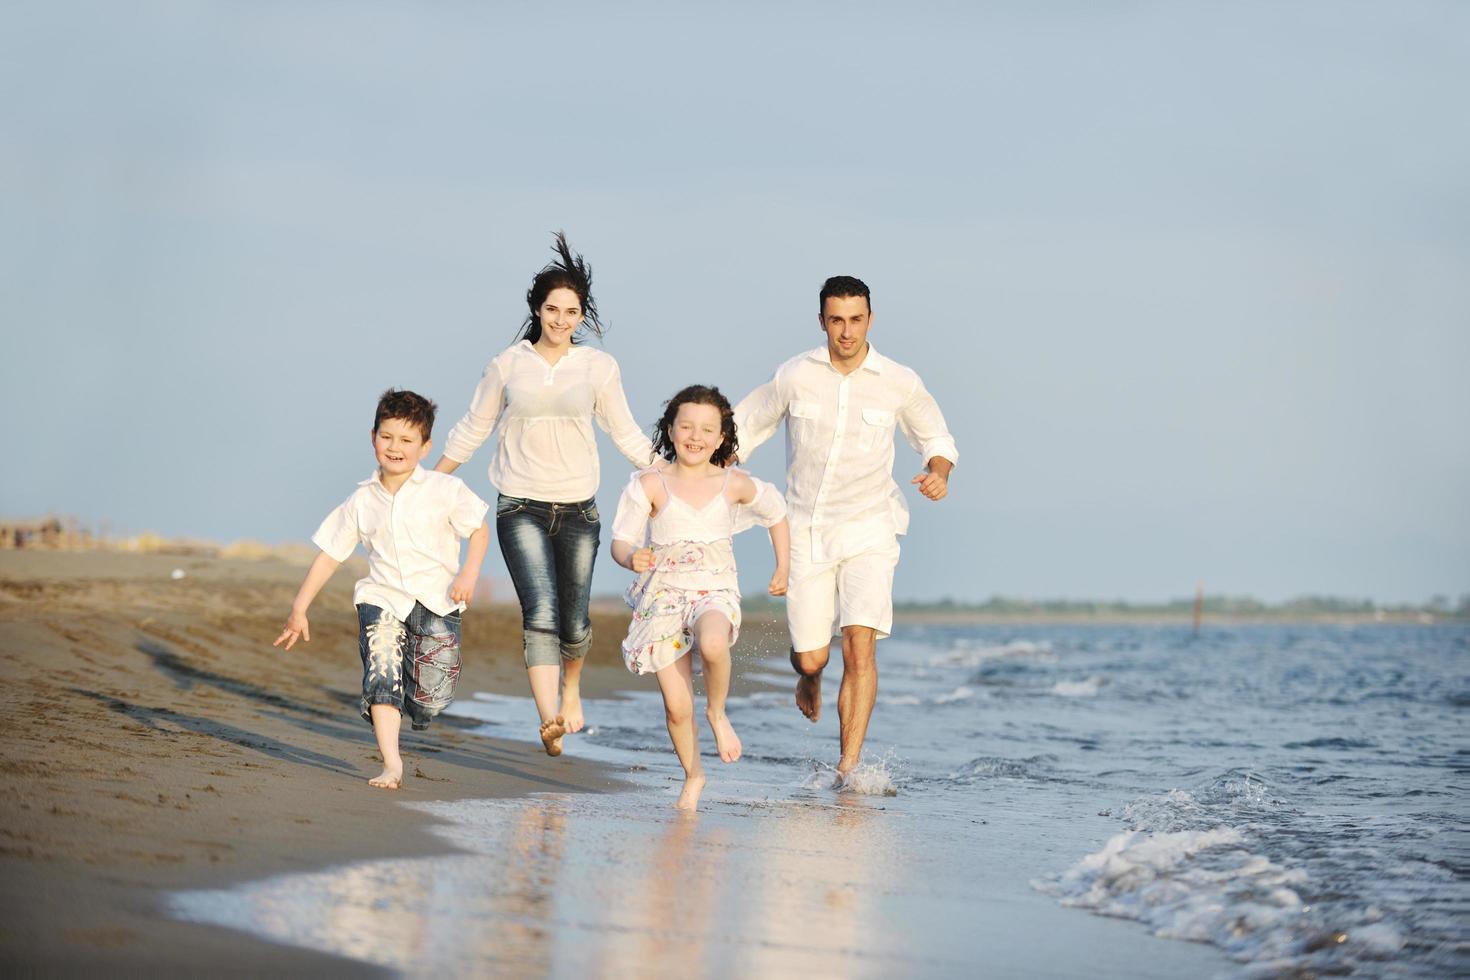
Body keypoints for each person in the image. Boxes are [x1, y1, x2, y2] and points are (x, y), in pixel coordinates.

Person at [433, 233, 654, 756]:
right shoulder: (508, 364)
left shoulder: (599, 368)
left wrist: (681, 470)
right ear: (537, 308)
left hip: (580, 507)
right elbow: (474, 427)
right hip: (519, 504)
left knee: (574, 623)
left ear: (582, 315)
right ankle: (549, 717)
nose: (560, 319)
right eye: (552, 309)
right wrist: (433, 479)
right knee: (540, 611)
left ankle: (571, 690)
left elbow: (626, 435)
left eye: (571, 311)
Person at [734, 276, 958, 780]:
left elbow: (937, 436)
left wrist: (939, 472)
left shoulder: (898, 380)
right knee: (812, 657)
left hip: (871, 528)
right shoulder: (795, 374)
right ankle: (809, 678)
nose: (847, 331)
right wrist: (707, 470)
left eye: (856, 319)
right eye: (836, 320)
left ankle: (848, 767)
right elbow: (745, 428)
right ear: (822, 322)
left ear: (870, 320)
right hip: (807, 529)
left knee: (860, 642)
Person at [274, 389, 491, 790]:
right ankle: (392, 764)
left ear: (425, 447)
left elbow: (478, 529)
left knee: (431, 699)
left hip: (438, 599)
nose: (395, 447)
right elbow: (329, 555)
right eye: (387, 437)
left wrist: (469, 575)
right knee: (381, 675)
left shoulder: (443, 490)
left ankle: (416, 703)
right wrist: (299, 607)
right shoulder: (361, 500)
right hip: (381, 598)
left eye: (407, 440)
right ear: (373, 436)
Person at [610, 385, 789, 810]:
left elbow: (777, 512)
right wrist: (631, 557)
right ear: (670, 430)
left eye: (707, 429)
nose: (696, 436)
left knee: (712, 642)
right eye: (686, 426)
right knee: (675, 707)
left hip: (714, 590)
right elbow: (620, 541)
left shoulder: (734, 483)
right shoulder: (649, 483)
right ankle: (693, 775)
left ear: (722, 436)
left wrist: (782, 567)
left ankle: (718, 712)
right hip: (663, 597)